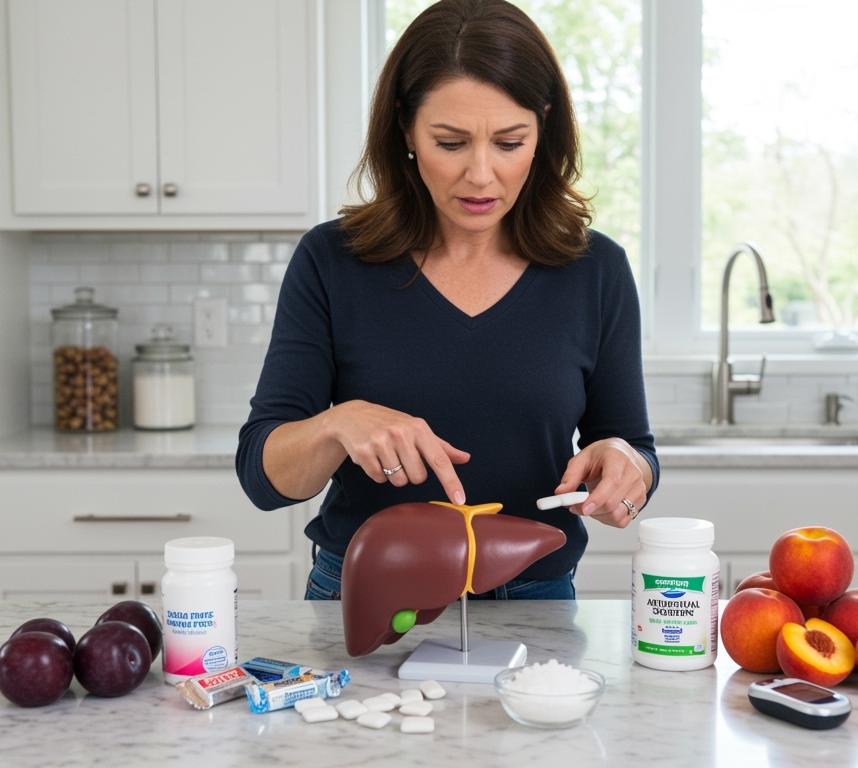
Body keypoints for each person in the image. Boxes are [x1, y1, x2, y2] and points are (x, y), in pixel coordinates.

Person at [236, 0, 657, 601]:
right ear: (406, 128)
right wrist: (337, 425)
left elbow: (633, 447)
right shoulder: (332, 261)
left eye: (509, 142)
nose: (481, 175)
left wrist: (627, 466)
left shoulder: (596, 270)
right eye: (451, 142)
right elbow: (263, 477)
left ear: (543, 128)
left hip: (535, 601)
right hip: (362, 595)